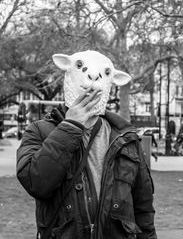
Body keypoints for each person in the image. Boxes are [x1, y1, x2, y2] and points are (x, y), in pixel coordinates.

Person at [17, 50, 156, 239]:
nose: (93, 75)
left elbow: (143, 208)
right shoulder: (39, 132)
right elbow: (35, 183)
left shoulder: (127, 139)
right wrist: (70, 126)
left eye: (106, 73)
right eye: (80, 66)